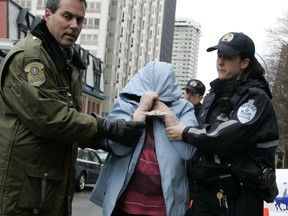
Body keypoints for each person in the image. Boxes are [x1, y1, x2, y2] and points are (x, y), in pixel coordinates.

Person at [0, 0, 145, 215]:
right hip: (25, 189)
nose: (74, 25)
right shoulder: (31, 58)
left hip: (47, 183)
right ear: (48, 15)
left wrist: (97, 138)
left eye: (80, 20)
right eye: (67, 16)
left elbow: (70, 121)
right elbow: (49, 118)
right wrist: (105, 127)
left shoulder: (65, 61)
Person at [166, 32, 279, 216]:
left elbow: (226, 137)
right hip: (207, 190)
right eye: (219, 55)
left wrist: (186, 132)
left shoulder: (256, 97)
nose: (220, 61)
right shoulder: (213, 94)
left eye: (228, 57)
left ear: (244, 63)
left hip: (241, 193)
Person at [90, 61, 198, 216]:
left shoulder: (184, 109)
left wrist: (170, 118)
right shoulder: (126, 104)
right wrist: (140, 112)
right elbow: (118, 148)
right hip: (123, 206)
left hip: (165, 208)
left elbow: (188, 153)